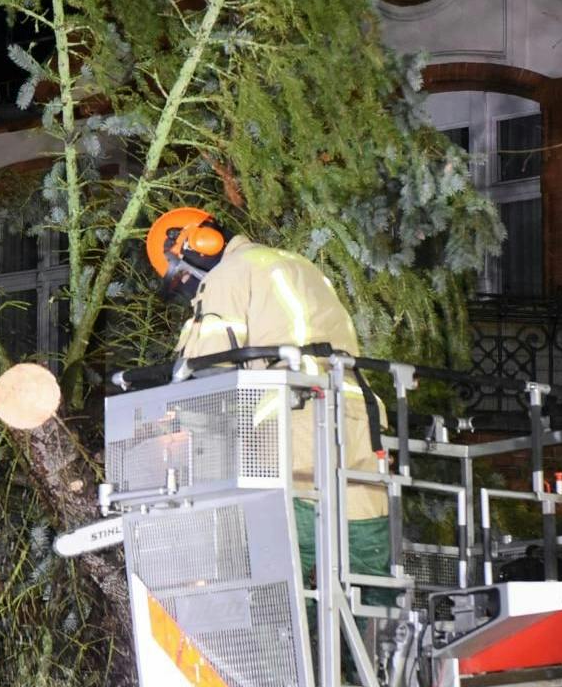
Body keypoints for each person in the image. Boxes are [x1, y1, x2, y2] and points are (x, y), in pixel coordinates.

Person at [145, 206, 392, 590]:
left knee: (287, 583)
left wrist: (174, 421)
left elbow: (206, 369)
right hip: (358, 423)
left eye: (181, 280)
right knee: (364, 562)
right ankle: (376, 647)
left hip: (294, 431)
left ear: (197, 246)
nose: (188, 290)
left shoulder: (228, 275)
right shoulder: (298, 265)